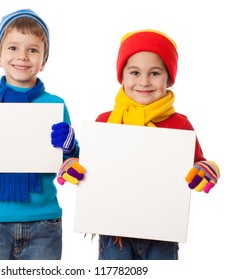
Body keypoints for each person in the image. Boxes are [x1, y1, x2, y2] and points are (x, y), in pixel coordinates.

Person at [0, 9, 80, 260]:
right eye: (12, 48)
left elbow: (69, 164)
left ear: (43, 61)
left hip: (44, 222)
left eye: (33, 50)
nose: (22, 56)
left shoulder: (55, 105)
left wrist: (70, 147)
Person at [95, 29, 221, 260]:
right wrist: (73, 163)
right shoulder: (104, 122)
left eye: (154, 73)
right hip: (114, 233)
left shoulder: (180, 124)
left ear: (169, 79)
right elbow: (91, 171)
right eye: (134, 72)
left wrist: (207, 170)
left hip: (162, 232)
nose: (144, 82)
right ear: (122, 76)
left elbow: (199, 164)